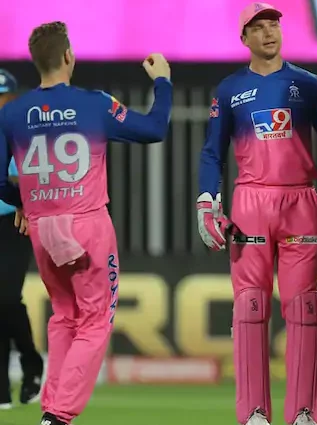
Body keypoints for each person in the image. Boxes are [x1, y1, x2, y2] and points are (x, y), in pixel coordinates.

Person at [0, 22, 173, 425]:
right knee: (95, 320)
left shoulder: (11, 114)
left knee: (64, 315)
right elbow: (154, 129)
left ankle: (51, 408)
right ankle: (59, 415)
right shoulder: (93, 104)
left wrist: (24, 203)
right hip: (86, 225)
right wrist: (163, 82)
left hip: (42, 229)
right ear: (68, 56)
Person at [196, 3, 317, 425]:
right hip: (250, 203)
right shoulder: (230, 90)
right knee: (249, 307)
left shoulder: (307, 84)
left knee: (305, 309)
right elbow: (212, 152)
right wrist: (207, 202)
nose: (269, 33)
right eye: (259, 27)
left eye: (274, 25)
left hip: (300, 201)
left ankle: (303, 413)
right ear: (244, 38)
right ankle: (253, 413)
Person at [0, 69, 44, 411]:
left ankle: (31, 363)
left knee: (5, 298)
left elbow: (27, 177)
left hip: (13, 221)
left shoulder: (20, 132)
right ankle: (2, 389)